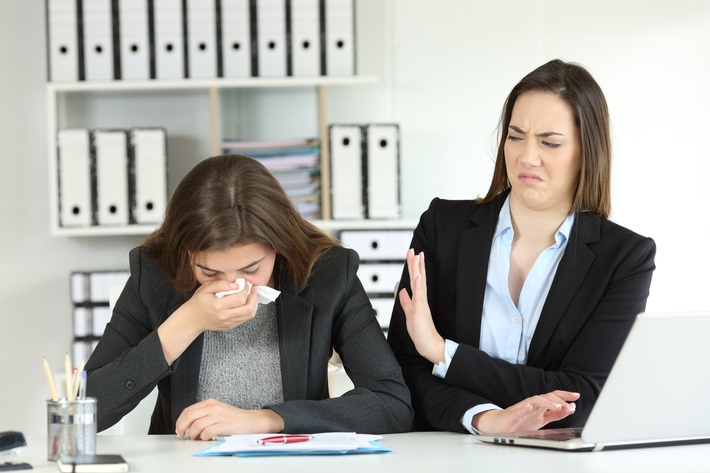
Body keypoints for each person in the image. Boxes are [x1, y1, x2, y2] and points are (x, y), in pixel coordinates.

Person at [387, 59, 656, 435]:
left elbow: (584, 396)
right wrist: (485, 418)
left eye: (549, 142)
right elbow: (401, 371)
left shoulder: (624, 258)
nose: (527, 156)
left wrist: (444, 353)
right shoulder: (441, 227)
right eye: (516, 136)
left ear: (587, 152)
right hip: (448, 451)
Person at [85, 154, 413, 439]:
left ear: (279, 247)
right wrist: (187, 322)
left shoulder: (326, 274)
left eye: (251, 270)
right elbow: (85, 409)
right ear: (185, 254)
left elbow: (391, 403)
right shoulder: (155, 273)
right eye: (210, 273)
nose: (233, 287)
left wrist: (264, 420)